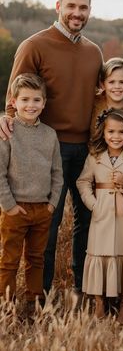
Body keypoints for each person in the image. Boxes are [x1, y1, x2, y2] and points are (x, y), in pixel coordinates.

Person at [0, 0, 103, 295]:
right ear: (58, 7)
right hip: (45, 149)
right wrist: (5, 119)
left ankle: (84, 289)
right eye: (71, 6)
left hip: (86, 150)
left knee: (88, 222)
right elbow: (15, 95)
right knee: (48, 225)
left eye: (83, 7)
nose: (77, 13)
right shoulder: (34, 45)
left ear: (89, 10)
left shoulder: (93, 52)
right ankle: (39, 296)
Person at [76, 109, 123, 323]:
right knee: (99, 254)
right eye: (111, 131)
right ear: (103, 132)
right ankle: (100, 301)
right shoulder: (95, 156)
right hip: (102, 216)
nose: (115, 136)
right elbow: (82, 181)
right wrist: (93, 203)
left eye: (121, 132)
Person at [0, 74, 63, 313]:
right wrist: (9, 206)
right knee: (9, 260)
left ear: (44, 103)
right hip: (15, 209)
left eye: (36, 100)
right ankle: (5, 307)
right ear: (14, 102)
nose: (31, 105)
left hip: (42, 210)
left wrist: (52, 204)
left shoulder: (49, 135)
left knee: (37, 260)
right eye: (25, 99)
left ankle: (33, 306)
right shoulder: (7, 132)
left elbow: (58, 173)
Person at [90, 57, 123, 137]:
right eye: (111, 82)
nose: (117, 86)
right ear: (103, 84)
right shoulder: (93, 104)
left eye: (122, 82)